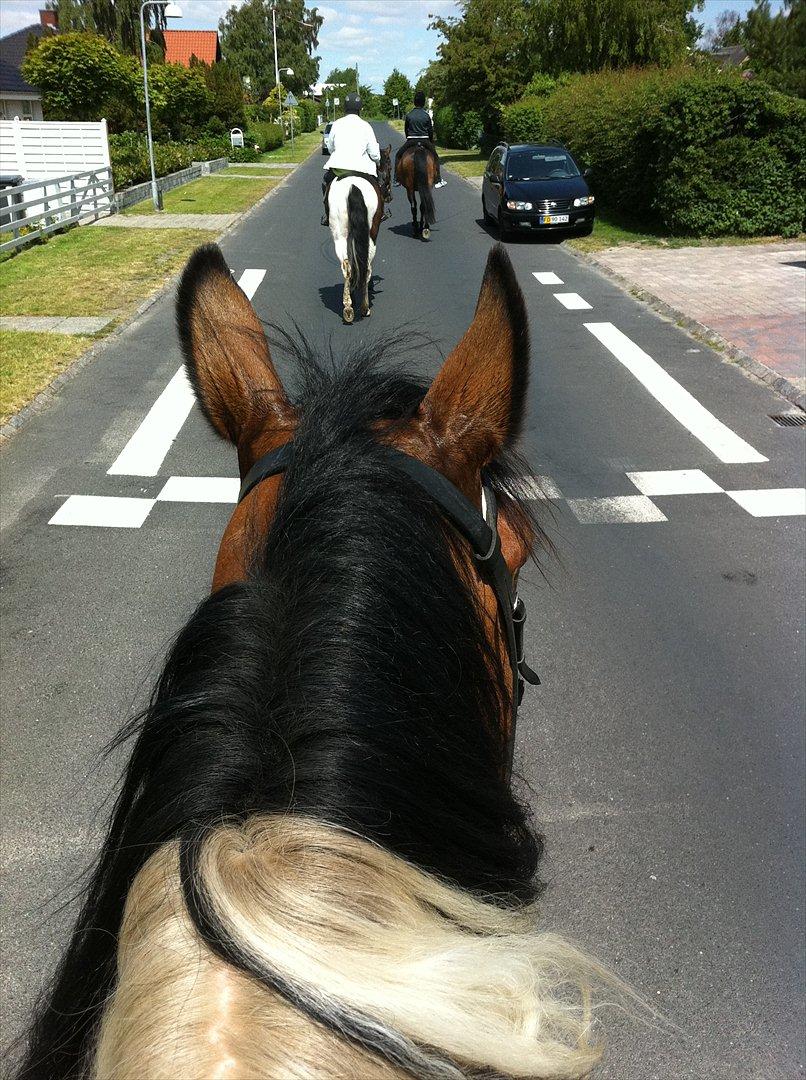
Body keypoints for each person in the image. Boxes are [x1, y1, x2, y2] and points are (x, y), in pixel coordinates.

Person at [321, 92, 387, 226]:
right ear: (360, 108)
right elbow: (374, 153)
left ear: (345, 107)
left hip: (339, 169)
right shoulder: (366, 126)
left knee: (326, 181)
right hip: (363, 170)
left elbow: (330, 147)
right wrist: (377, 161)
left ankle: (328, 215)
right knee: (378, 185)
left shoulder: (336, 124)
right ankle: (380, 213)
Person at [394, 91, 446, 188]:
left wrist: (408, 138)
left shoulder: (409, 115)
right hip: (425, 140)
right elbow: (430, 131)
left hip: (411, 140)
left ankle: (396, 179)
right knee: (435, 156)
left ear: (414, 102)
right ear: (423, 102)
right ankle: (438, 179)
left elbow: (406, 130)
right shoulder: (426, 115)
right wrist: (431, 141)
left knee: (398, 155)